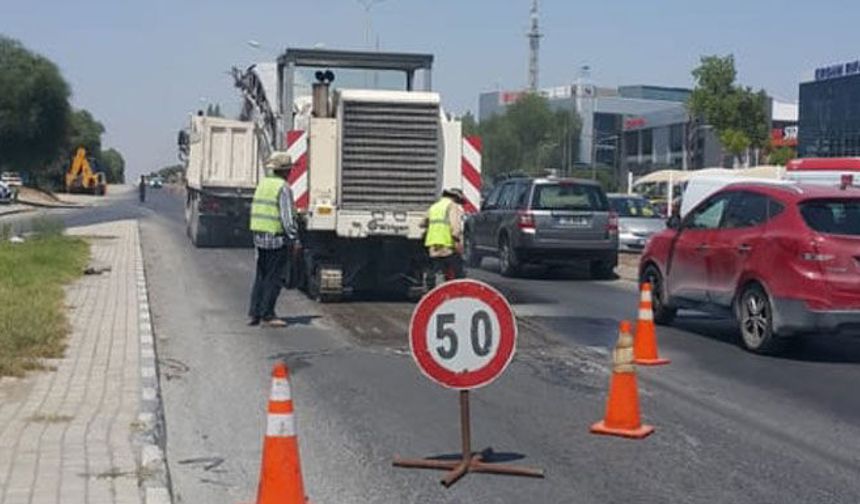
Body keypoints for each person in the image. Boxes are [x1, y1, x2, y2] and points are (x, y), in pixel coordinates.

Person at [248, 154, 299, 327]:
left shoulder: (263, 184)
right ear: (286, 171)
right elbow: (287, 218)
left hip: (259, 236)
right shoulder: (283, 188)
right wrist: (294, 238)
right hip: (275, 239)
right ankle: (268, 314)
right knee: (273, 277)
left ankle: (254, 312)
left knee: (261, 276)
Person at [424, 188, 466, 287]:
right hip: (446, 244)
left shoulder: (434, 206)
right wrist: (457, 242)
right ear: (455, 198)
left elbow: (422, 223)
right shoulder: (452, 206)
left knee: (435, 267)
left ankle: (431, 288)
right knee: (457, 269)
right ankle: (458, 289)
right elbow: (455, 227)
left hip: (433, 243)